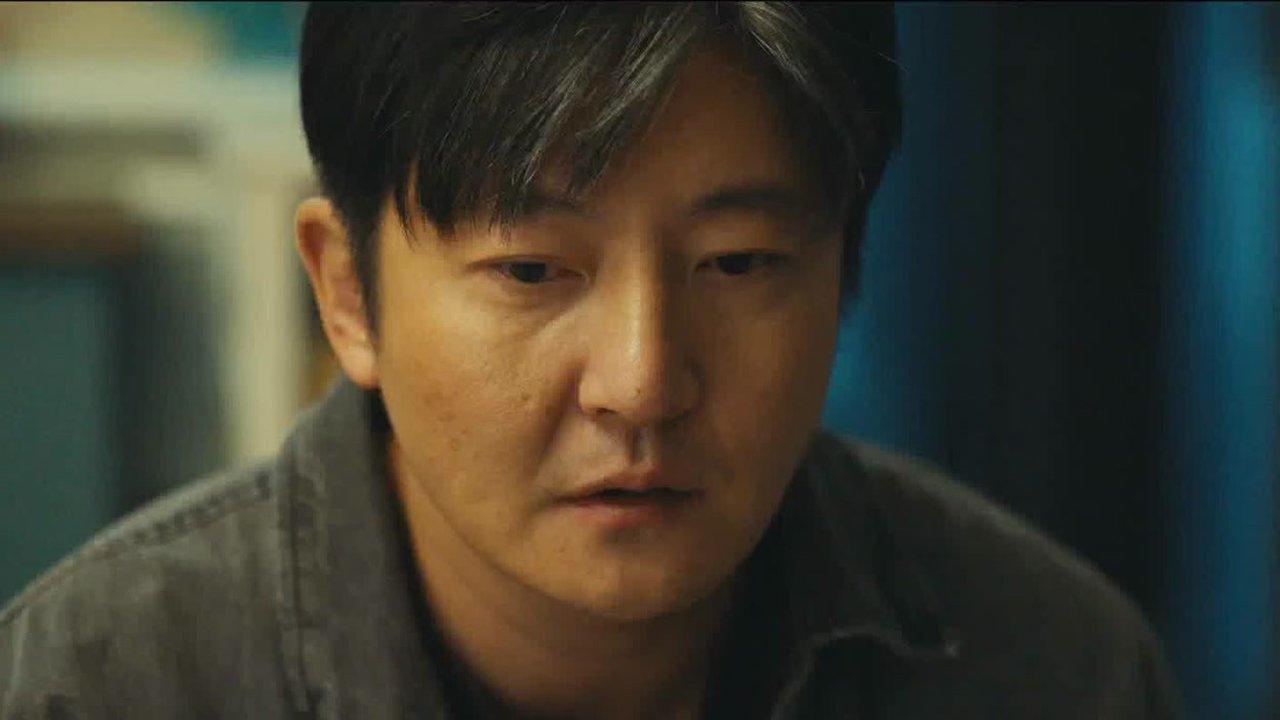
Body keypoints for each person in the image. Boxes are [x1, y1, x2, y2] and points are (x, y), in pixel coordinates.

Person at [0, 3, 1183, 718]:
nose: (642, 382)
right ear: (348, 294)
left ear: (845, 272)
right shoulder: (105, 684)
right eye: (531, 271)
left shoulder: (1045, 670)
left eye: (736, 262)